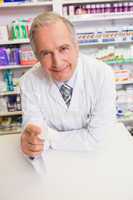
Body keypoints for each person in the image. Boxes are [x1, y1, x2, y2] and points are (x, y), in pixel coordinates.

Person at [20, 12, 116, 159]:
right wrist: (31, 142)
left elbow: (99, 138)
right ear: (37, 57)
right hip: (52, 161)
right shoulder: (29, 82)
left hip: (97, 158)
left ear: (76, 46)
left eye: (63, 48)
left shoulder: (102, 74)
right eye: (46, 53)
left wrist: (50, 138)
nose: (57, 62)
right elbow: (35, 134)